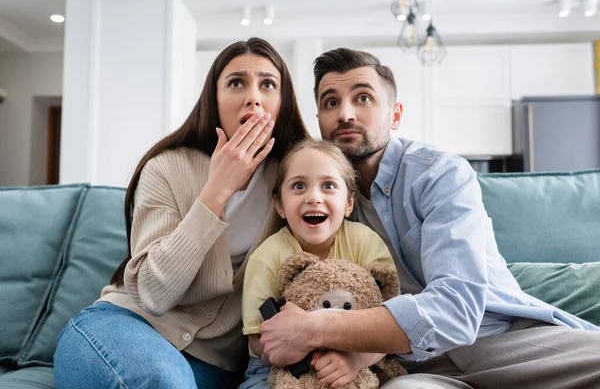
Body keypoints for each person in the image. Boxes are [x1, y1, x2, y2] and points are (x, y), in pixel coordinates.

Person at [258, 48, 600, 388]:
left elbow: (457, 308)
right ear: (319, 119)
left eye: (363, 98)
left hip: (500, 337)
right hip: (412, 367)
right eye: (331, 102)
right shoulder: (323, 204)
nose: (345, 113)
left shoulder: (438, 173)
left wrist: (315, 327)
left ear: (395, 115)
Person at [53, 37, 309, 389]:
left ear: (282, 103)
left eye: (268, 84)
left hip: (214, 367)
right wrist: (216, 192)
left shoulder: (296, 184)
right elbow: (153, 294)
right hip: (125, 327)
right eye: (236, 83)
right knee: (162, 380)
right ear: (214, 100)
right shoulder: (166, 167)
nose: (253, 96)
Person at [239, 139, 397, 389]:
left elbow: (389, 325)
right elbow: (257, 341)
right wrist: (290, 351)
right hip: (278, 368)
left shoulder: (364, 242)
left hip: (358, 359)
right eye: (299, 186)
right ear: (279, 204)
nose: (314, 197)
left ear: (349, 204)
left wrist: (356, 359)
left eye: (328, 186)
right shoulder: (267, 256)